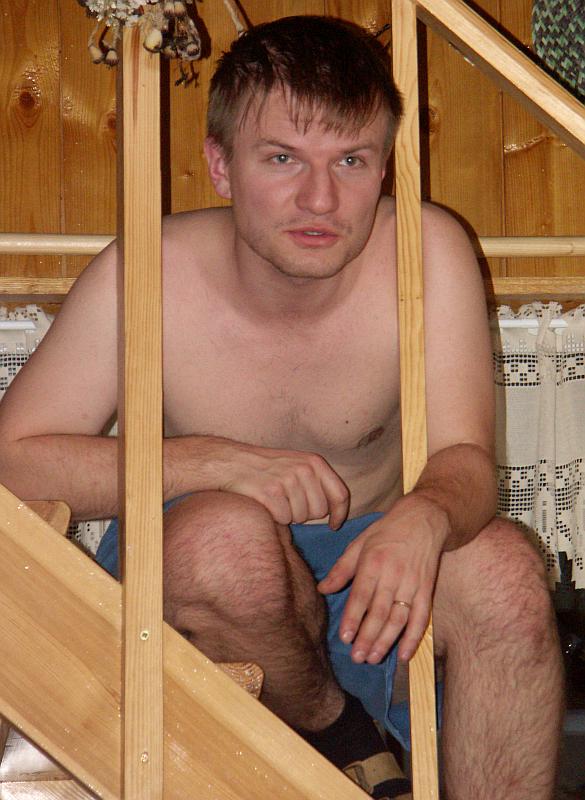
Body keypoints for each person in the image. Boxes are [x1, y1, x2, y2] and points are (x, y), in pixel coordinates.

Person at [0, 15, 563, 800]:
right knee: (226, 538)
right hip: (201, 580)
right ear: (221, 166)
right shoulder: (149, 271)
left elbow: (463, 461)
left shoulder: (424, 250)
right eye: (281, 159)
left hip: (367, 575)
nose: (319, 199)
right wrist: (217, 462)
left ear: (382, 167)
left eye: (351, 160)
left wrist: (428, 514)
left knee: (501, 570)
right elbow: (14, 462)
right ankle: (347, 745)